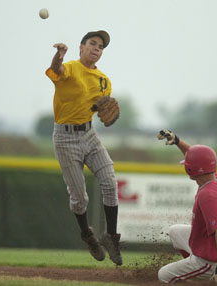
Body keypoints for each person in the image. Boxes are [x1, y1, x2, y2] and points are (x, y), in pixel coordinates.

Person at [45, 30, 122, 265]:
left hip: (89, 134)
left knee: (110, 181)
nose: (97, 48)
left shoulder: (104, 81)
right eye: (93, 43)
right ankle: (88, 235)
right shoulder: (69, 68)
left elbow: (102, 109)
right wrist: (59, 55)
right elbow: (56, 70)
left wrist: (107, 113)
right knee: (79, 198)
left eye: (100, 46)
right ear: (81, 47)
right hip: (65, 138)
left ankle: (111, 237)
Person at [156, 130, 217, 284]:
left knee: (163, 276)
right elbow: (198, 157)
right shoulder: (214, 178)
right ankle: (196, 269)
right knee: (175, 232)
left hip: (211, 260)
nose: (186, 164)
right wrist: (177, 141)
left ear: (191, 169)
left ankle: (202, 274)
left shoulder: (208, 195)